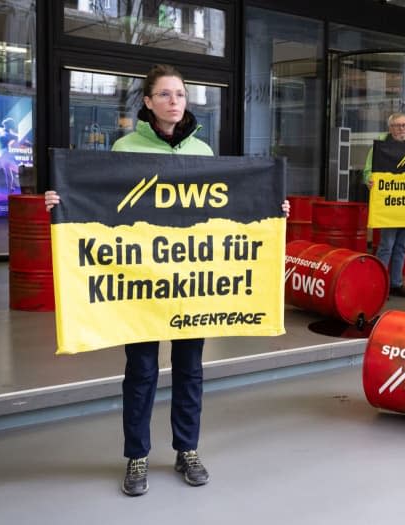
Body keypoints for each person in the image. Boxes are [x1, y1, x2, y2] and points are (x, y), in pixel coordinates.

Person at [45, 64, 290, 497]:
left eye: (179, 94)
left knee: (190, 370)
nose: (174, 101)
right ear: (147, 101)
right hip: (141, 283)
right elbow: (98, 200)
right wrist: (62, 201)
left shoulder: (205, 152)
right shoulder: (124, 147)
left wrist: (270, 206)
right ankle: (136, 456)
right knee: (140, 372)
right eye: (165, 94)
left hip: (191, 286)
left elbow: (230, 209)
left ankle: (187, 450)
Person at [362, 112, 405, 299]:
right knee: (386, 245)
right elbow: (368, 170)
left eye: (404, 125)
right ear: (390, 128)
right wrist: (369, 179)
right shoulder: (380, 147)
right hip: (388, 204)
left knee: (401, 245)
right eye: (397, 125)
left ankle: (395, 283)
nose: (401, 128)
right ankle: (378, 284)